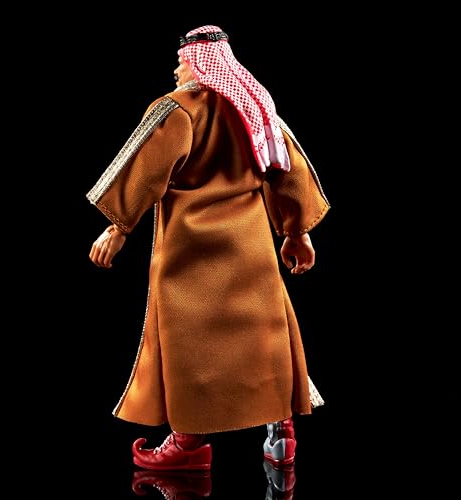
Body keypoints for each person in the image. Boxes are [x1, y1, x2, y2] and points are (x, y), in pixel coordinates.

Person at [87, 24, 330, 471]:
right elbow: (288, 170)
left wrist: (118, 226)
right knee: (265, 336)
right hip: (251, 245)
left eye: (181, 61)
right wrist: (296, 232)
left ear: (198, 64)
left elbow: (144, 168)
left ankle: (188, 442)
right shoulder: (255, 106)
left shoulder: (178, 111)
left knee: (189, 343)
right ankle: (281, 434)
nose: (176, 70)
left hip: (191, 250)